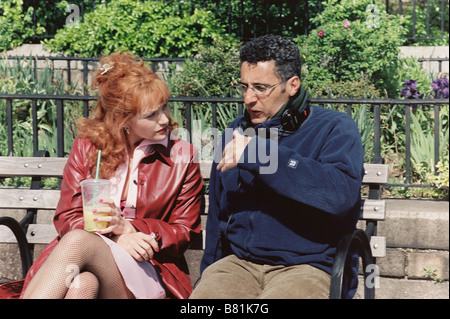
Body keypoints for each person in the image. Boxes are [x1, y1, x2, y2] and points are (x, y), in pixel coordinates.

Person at [190, 34, 364, 299]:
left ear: (292, 85)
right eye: (244, 86)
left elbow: (339, 195)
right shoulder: (235, 133)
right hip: (238, 266)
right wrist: (207, 276)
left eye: (261, 87)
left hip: (307, 267)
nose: (249, 98)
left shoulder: (334, 128)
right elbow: (218, 215)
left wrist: (261, 154)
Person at [21, 52, 203, 299]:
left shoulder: (182, 156)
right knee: (81, 286)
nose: (165, 119)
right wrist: (114, 238)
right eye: (152, 115)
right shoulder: (89, 148)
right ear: (123, 120)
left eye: (164, 107)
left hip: (150, 268)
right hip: (90, 264)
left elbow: (185, 232)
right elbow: (68, 217)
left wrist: (129, 228)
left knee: (77, 241)